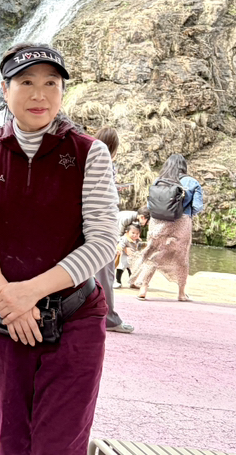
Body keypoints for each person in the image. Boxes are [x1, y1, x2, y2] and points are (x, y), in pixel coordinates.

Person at [0, 42, 118, 455]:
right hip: (2, 318)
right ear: (4, 90)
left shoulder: (88, 152)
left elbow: (103, 241)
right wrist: (6, 295)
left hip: (74, 315)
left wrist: (28, 293)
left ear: (63, 91)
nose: (39, 94)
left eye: (51, 83)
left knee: (59, 444)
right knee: (11, 440)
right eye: (26, 82)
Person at [131, 154, 203, 302]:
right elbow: (197, 206)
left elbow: (150, 205)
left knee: (153, 252)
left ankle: (143, 288)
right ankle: (181, 293)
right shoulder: (192, 182)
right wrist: (186, 213)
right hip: (182, 222)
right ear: (184, 166)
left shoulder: (159, 181)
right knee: (181, 257)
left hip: (158, 221)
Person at [92, 126, 134, 334]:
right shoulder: (107, 163)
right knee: (105, 273)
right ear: (114, 147)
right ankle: (108, 318)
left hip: (84, 221)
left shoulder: (86, 160)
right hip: (102, 223)